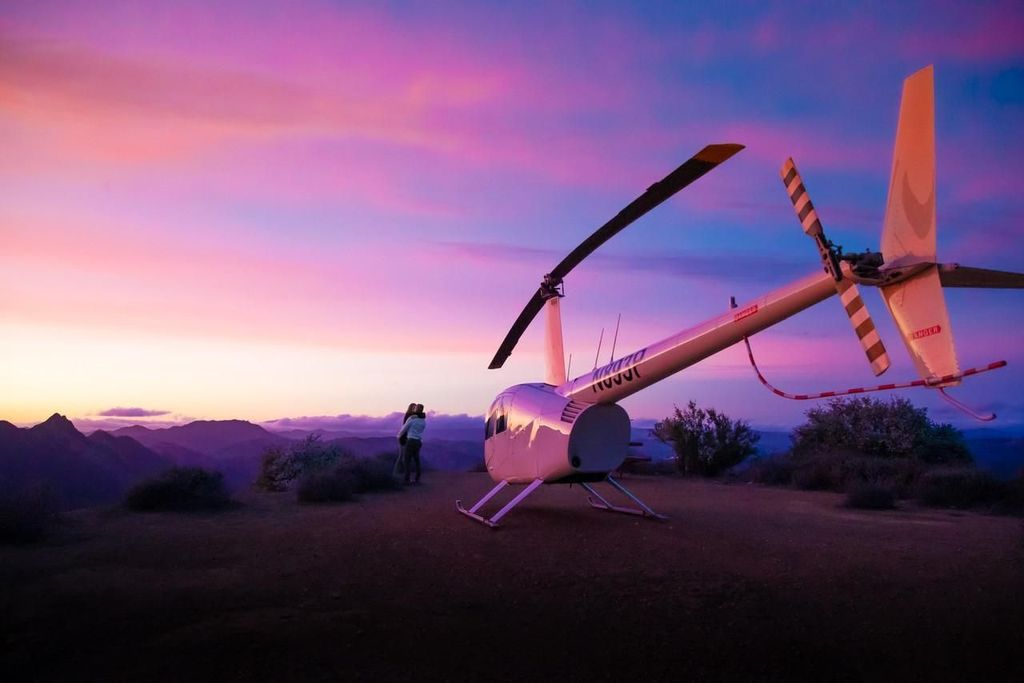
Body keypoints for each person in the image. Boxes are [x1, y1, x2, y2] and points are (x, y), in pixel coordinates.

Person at [397, 404, 426, 484]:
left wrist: (399, 436)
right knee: (416, 460)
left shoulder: (412, 418)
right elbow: (422, 429)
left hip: (410, 441)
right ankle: (417, 478)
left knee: (406, 460)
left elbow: (404, 428)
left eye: (415, 408)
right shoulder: (423, 421)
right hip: (419, 441)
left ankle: (407, 479)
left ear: (417, 409)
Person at [394, 402, 418, 476]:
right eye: (414, 408)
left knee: (402, 456)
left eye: (415, 408)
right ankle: (397, 473)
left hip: (405, 437)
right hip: (404, 438)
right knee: (403, 456)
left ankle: (398, 472)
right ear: (411, 408)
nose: (415, 409)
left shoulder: (409, 415)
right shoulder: (410, 416)